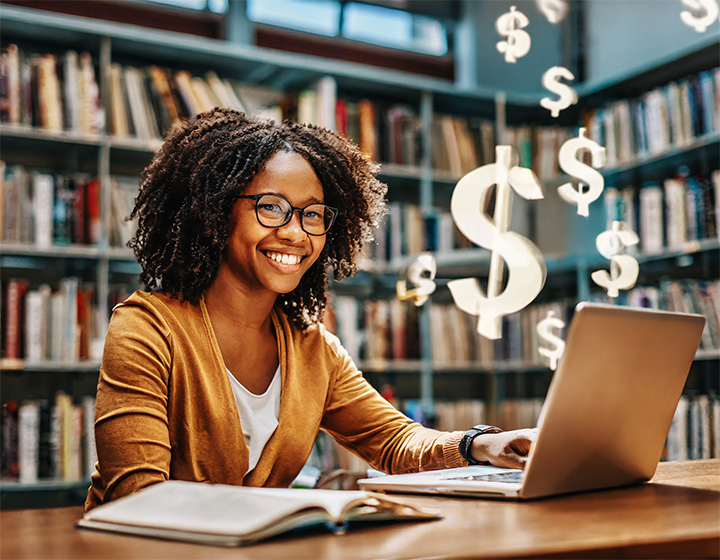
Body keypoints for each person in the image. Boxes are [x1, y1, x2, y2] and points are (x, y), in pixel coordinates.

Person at [85, 107, 536, 510]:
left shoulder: (312, 348)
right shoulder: (146, 329)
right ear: (217, 213)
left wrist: (484, 445)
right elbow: (137, 499)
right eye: (272, 207)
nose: (297, 234)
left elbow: (396, 440)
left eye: (313, 214)